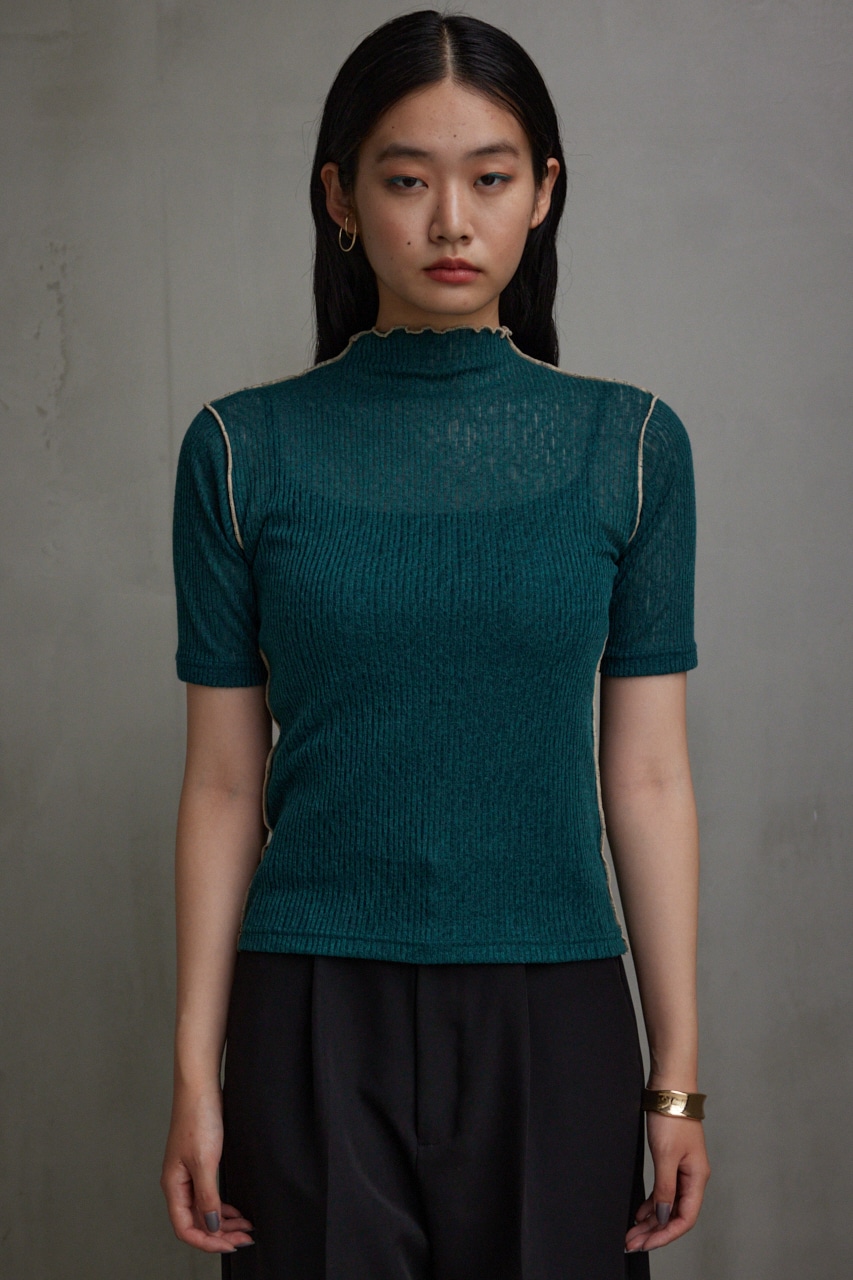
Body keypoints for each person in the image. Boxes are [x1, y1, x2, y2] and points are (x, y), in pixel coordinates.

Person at [160, 10, 711, 1278]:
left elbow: (647, 776)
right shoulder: (239, 449)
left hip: (556, 1007)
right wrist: (195, 1069)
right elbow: (224, 781)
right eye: (407, 180)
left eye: (490, 178)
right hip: (310, 1008)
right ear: (340, 200)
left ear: (543, 193)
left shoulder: (629, 445)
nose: (451, 221)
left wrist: (675, 1076)